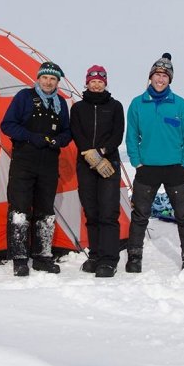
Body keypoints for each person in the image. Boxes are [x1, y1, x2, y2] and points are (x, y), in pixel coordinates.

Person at [125, 53, 184, 272]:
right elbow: (131, 136)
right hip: (147, 169)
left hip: (175, 169)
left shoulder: (180, 105)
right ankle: (134, 257)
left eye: (165, 75)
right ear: (150, 77)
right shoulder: (138, 104)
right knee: (140, 216)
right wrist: (137, 162)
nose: (161, 79)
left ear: (170, 80)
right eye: (157, 74)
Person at [0, 61, 72, 276]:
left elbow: (67, 132)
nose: (48, 82)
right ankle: (20, 258)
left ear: (57, 82)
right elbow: (8, 125)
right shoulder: (24, 97)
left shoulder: (60, 103)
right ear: (38, 79)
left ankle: (42, 256)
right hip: (24, 161)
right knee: (20, 209)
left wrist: (57, 141)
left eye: (53, 79)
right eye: (45, 78)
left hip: (49, 163)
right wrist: (33, 137)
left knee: (45, 210)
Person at [70, 65, 125, 278]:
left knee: (108, 211)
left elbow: (117, 134)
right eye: (92, 80)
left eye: (100, 81)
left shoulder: (115, 106)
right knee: (91, 211)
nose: (96, 84)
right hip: (85, 163)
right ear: (87, 82)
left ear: (105, 83)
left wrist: (101, 153)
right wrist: (89, 153)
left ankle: (109, 260)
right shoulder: (78, 108)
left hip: (108, 163)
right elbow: (76, 132)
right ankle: (95, 255)